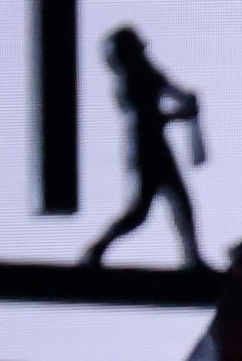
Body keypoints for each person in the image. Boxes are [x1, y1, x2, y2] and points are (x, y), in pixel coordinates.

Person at [83, 25, 210, 270]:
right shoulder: (131, 80)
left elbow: (173, 91)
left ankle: (192, 259)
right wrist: (180, 114)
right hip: (144, 147)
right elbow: (146, 118)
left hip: (155, 146)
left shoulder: (147, 74)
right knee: (141, 211)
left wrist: (186, 103)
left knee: (180, 202)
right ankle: (97, 249)